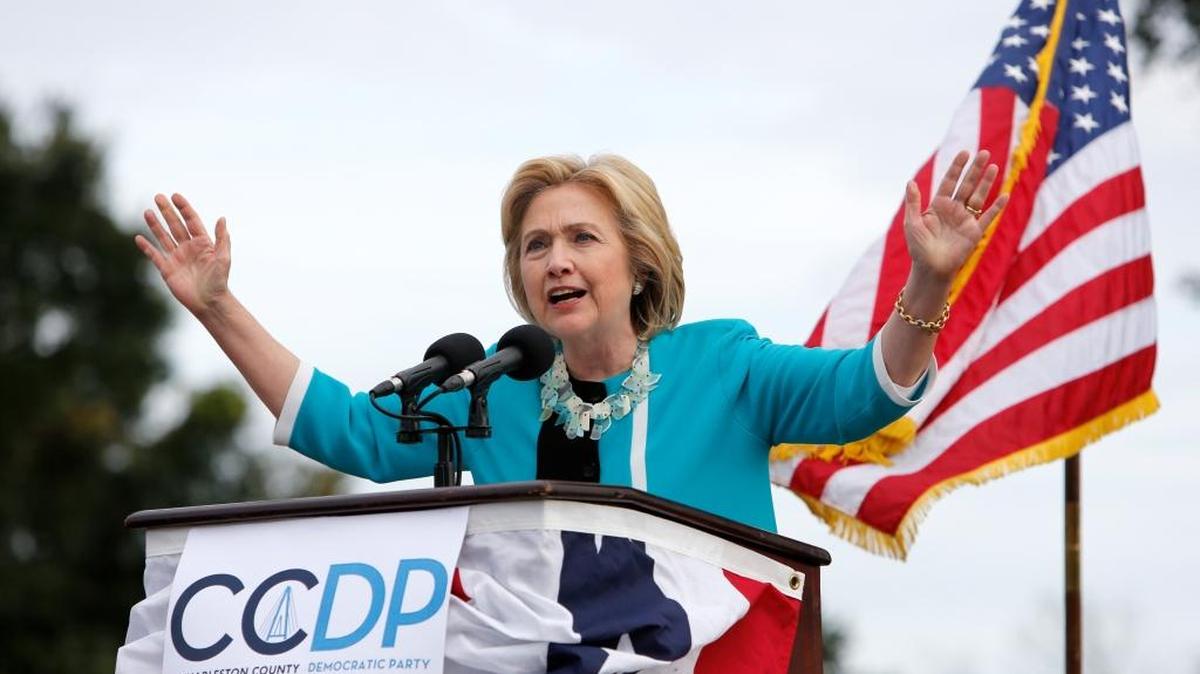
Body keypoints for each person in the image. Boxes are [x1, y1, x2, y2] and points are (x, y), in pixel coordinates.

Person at [135, 151, 1006, 532]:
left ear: (639, 261)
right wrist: (218, 308)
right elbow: (352, 431)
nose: (556, 260)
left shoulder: (724, 364)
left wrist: (928, 279)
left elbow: (866, 390)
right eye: (536, 245)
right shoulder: (496, 390)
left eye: (583, 238)